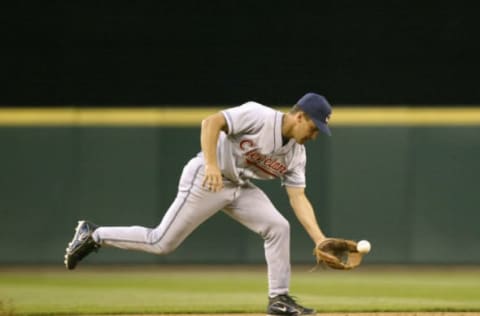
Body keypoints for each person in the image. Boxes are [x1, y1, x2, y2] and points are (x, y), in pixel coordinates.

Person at [64, 92, 332, 316]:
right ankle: (94, 234)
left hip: (239, 186)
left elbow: (298, 196)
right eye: (314, 127)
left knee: (278, 226)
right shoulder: (259, 115)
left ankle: (279, 299)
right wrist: (211, 165)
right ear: (300, 116)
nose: (315, 134)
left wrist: (319, 239)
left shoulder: (297, 154)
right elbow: (211, 123)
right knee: (162, 242)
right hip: (206, 178)